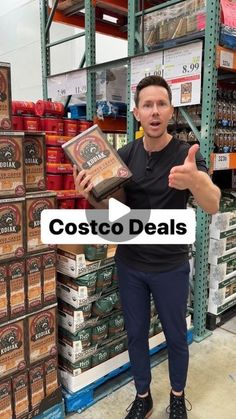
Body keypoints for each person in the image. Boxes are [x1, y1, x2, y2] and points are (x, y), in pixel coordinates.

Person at [73, 75, 221, 419]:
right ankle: (143, 396)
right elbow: (113, 215)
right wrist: (93, 195)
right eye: (147, 105)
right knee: (135, 334)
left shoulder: (187, 154)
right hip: (131, 265)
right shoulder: (123, 156)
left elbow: (212, 203)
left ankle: (177, 396)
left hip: (170, 265)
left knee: (176, 337)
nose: (155, 112)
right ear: (137, 113)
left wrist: (197, 181)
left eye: (162, 104)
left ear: (171, 111)